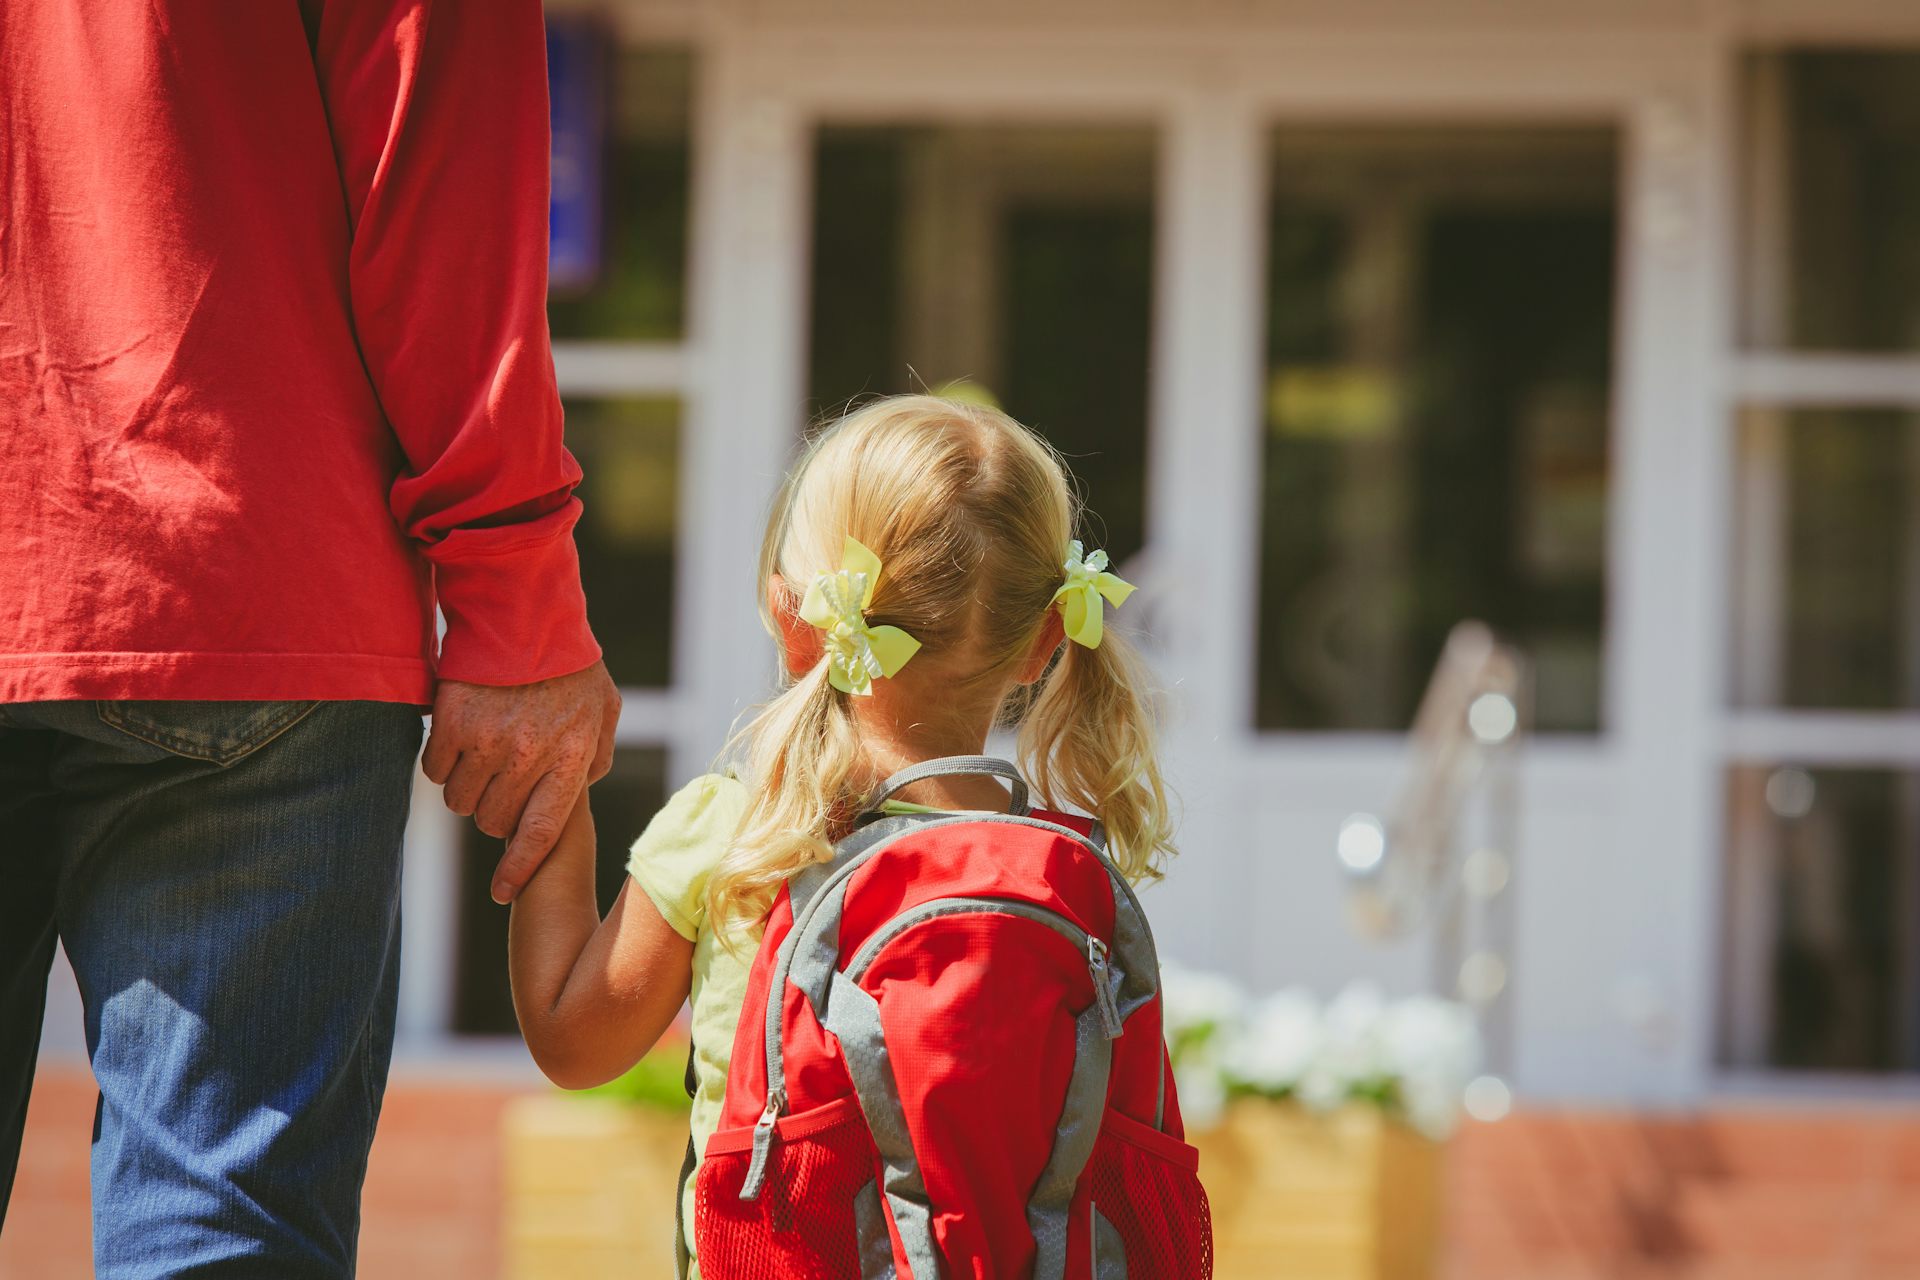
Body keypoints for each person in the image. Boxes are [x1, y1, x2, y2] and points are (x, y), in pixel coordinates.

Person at [0, 3, 617, 1275]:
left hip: (239, 601)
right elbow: (442, 193)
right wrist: (515, 600)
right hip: (248, 596)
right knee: (219, 1242)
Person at [507, 394, 1177, 1274]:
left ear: (796, 622)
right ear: (1046, 639)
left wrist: (555, 796)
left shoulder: (736, 833)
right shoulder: (1067, 872)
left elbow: (573, 1041)